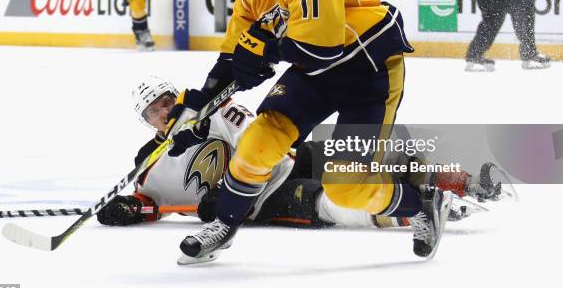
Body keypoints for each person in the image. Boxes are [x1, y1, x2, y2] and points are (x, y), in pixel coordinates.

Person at [167, 0, 452, 265]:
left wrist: (265, 52)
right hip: (313, 75)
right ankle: (224, 224)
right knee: (256, 144)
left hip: (368, 71)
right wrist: (197, 106)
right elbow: (232, 56)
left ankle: (421, 204)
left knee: (345, 188)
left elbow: (322, 50)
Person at [97, 77, 502, 229]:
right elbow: (150, 199)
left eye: (167, 101)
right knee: (333, 204)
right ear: (148, 123)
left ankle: (465, 182)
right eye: (155, 111)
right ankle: (436, 209)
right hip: (266, 200)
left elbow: (255, 133)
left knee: (373, 156)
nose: (165, 111)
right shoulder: (150, 160)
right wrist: (129, 208)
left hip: (289, 156)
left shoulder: (211, 109)